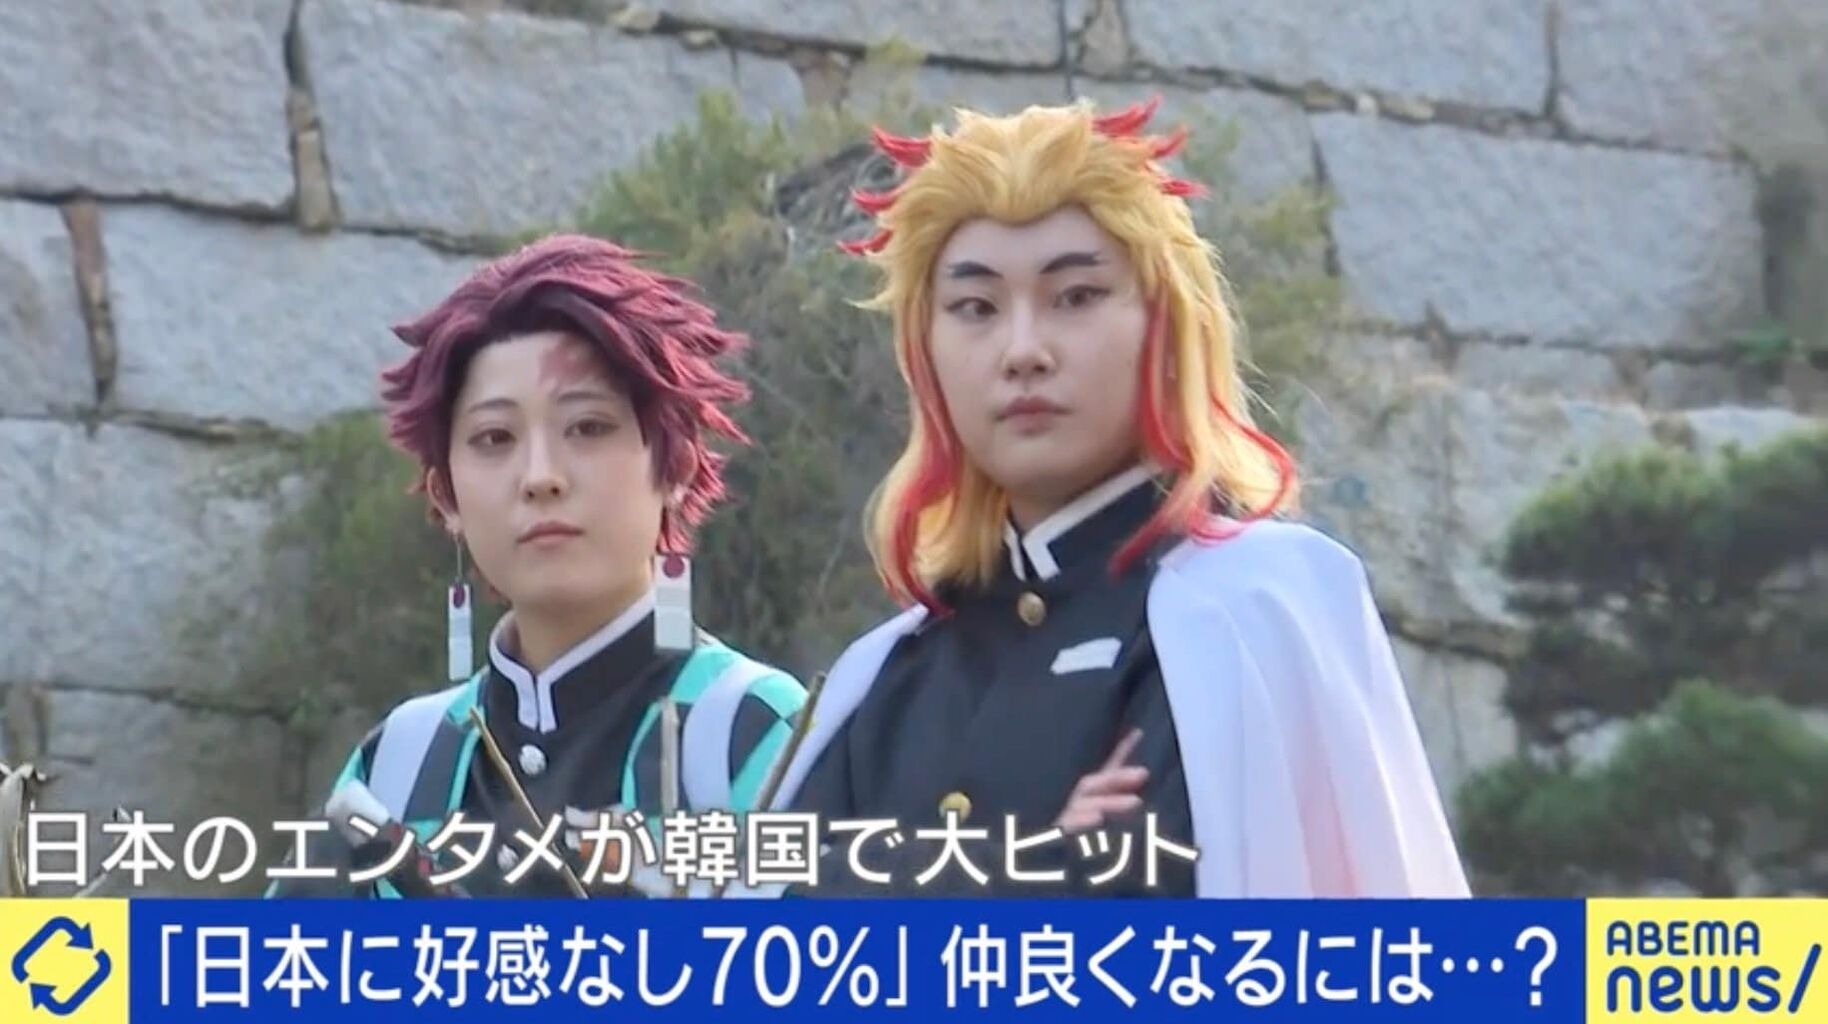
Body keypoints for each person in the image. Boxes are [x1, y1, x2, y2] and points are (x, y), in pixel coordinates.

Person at [769, 98, 1469, 898]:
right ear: (925, 356)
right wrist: (1035, 864)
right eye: (976, 308)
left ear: (1165, 329)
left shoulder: (1256, 607)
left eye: (1075, 296)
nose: (1023, 351)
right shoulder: (884, 677)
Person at [268, 234, 806, 897]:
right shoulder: (396, 769)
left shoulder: (753, 734)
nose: (540, 476)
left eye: (587, 427)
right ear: (447, 497)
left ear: (675, 467)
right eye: (495, 438)